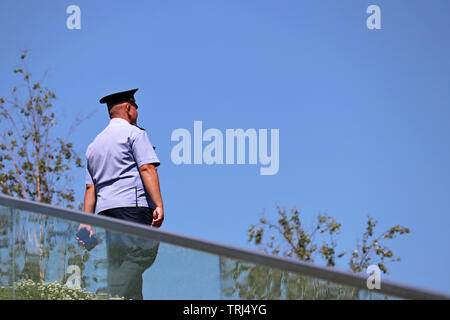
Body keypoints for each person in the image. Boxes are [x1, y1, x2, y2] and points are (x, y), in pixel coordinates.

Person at [78, 88, 164, 299]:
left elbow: (91, 188)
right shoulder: (134, 134)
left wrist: (85, 222)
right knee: (144, 251)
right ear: (128, 108)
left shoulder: (94, 145)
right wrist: (159, 204)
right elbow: (147, 168)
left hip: (106, 213)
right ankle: (109, 296)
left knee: (121, 267)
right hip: (132, 208)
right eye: (135, 107)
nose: (136, 111)